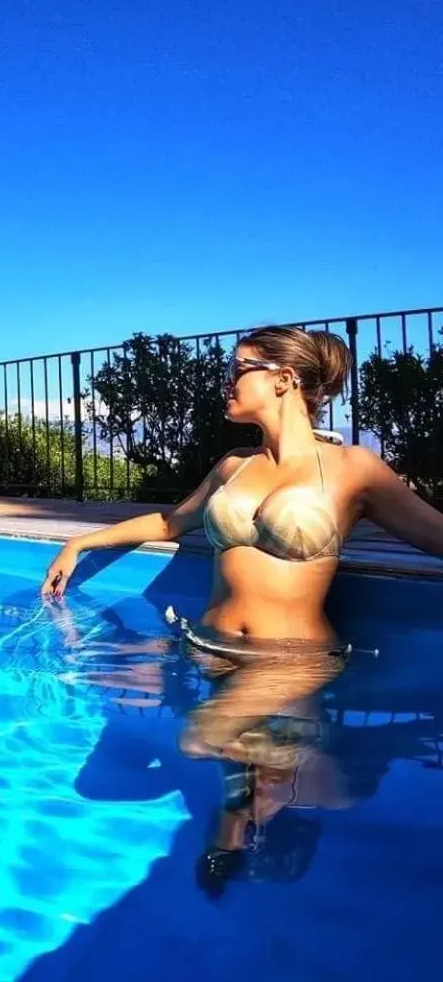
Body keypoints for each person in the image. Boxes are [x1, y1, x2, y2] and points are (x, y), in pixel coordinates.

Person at [38, 325, 443, 893]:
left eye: (240, 368)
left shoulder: (354, 469)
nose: (226, 382)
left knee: (198, 739)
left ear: (284, 380)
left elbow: (436, 535)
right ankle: (243, 826)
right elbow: (168, 522)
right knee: (233, 769)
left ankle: (333, 785)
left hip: (292, 660)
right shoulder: (234, 467)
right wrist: (79, 543)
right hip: (209, 649)